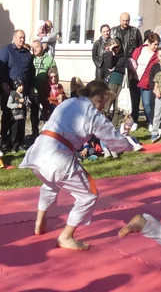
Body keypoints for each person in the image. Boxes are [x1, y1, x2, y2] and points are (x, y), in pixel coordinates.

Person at [20, 80, 132, 250]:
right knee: (89, 194)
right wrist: (129, 145)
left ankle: (39, 221)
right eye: (105, 100)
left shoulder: (69, 102)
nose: (105, 105)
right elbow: (114, 140)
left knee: (50, 184)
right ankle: (66, 236)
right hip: (57, 157)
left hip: (38, 152)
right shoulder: (93, 114)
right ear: (100, 96)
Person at [0, 30, 34, 150]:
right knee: (8, 115)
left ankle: (19, 142)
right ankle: (4, 139)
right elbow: (1, 67)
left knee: (21, 116)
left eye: (24, 37)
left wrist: (31, 87)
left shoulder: (27, 53)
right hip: (9, 89)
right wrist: (4, 83)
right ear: (14, 37)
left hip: (24, 89)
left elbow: (31, 71)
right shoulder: (6, 50)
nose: (22, 40)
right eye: (20, 37)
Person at [114, 13, 143, 120]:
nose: (125, 22)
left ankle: (133, 117)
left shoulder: (135, 31)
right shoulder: (113, 31)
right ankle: (117, 115)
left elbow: (140, 47)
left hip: (132, 64)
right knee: (117, 91)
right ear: (120, 20)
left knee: (133, 93)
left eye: (127, 20)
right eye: (123, 20)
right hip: (118, 64)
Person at [131, 31, 160, 128]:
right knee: (134, 103)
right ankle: (134, 121)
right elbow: (133, 60)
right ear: (149, 43)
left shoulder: (157, 55)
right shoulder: (140, 50)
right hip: (135, 80)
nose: (156, 47)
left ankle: (150, 122)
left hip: (147, 82)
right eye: (154, 44)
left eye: (157, 44)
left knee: (147, 104)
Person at [7, 78, 29, 148]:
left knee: (21, 131)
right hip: (15, 117)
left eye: (22, 85)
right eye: (19, 86)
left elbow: (29, 103)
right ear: (16, 86)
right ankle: (13, 145)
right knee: (14, 132)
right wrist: (17, 105)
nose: (21, 87)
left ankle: (21, 144)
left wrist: (26, 102)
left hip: (22, 116)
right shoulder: (13, 94)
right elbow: (9, 104)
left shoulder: (24, 95)